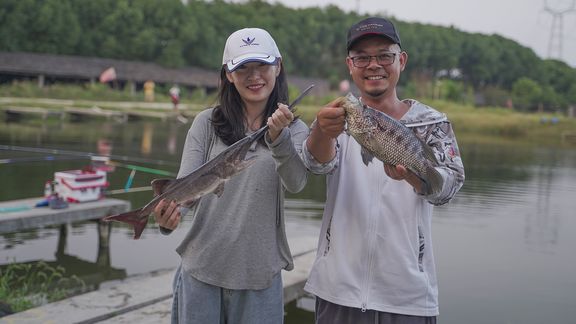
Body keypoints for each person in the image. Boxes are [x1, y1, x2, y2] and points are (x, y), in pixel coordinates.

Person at [300, 17, 465, 324]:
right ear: (350, 65)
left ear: (400, 61)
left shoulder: (433, 123)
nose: (373, 64)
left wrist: (413, 176)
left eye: (383, 55)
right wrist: (322, 132)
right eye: (362, 57)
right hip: (338, 291)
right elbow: (315, 165)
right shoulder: (337, 118)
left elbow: (449, 189)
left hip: (408, 298)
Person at [153, 27, 309, 324]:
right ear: (228, 74)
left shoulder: (296, 130)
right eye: (243, 68)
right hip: (201, 268)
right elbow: (185, 191)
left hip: (259, 274)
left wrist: (279, 139)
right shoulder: (206, 124)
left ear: (278, 66)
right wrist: (168, 217)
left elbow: (297, 183)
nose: (254, 76)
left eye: (262, 65)